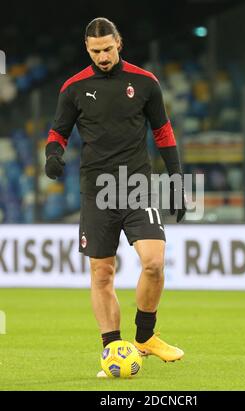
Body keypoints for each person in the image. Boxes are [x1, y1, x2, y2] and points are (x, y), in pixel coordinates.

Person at [45, 17, 186, 376]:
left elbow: (164, 132)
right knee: (102, 272)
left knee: (153, 263)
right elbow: (57, 132)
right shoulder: (74, 88)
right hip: (96, 191)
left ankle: (145, 337)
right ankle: (112, 350)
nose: (103, 56)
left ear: (119, 43)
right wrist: (53, 155)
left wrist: (177, 182)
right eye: (95, 51)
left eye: (108, 48)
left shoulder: (144, 82)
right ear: (87, 50)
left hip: (137, 184)